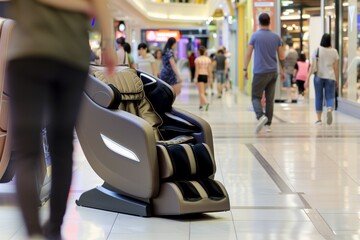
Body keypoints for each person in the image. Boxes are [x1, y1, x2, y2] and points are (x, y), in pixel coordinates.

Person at [6, 0, 116, 239]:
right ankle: (54, 231)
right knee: (62, 149)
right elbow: (100, 5)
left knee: (26, 151)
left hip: (29, 50)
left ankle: (35, 233)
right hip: (70, 54)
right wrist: (107, 42)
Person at [244, 12, 285, 133]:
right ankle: (268, 125)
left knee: (255, 96)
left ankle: (261, 116)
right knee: (269, 99)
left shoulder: (255, 36)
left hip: (260, 72)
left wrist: (245, 69)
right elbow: (281, 56)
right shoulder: (276, 37)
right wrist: (283, 70)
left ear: (258, 22)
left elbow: (248, 53)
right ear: (269, 21)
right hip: (273, 72)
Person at [305, 33, 339, 125]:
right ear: (329, 41)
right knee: (330, 96)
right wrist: (337, 80)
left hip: (318, 77)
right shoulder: (334, 52)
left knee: (318, 97)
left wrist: (307, 79)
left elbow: (312, 66)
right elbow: (336, 68)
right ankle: (329, 109)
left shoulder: (317, 50)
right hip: (330, 77)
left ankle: (319, 120)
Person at [194, 46, 212, 110]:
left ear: (199, 52)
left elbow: (197, 70)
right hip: (206, 76)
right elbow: (209, 70)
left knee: (201, 93)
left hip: (200, 76)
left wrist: (195, 78)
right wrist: (210, 78)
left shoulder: (197, 60)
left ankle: (206, 102)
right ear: (204, 52)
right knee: (203, 92)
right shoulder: (208, 60)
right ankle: (200, 106)